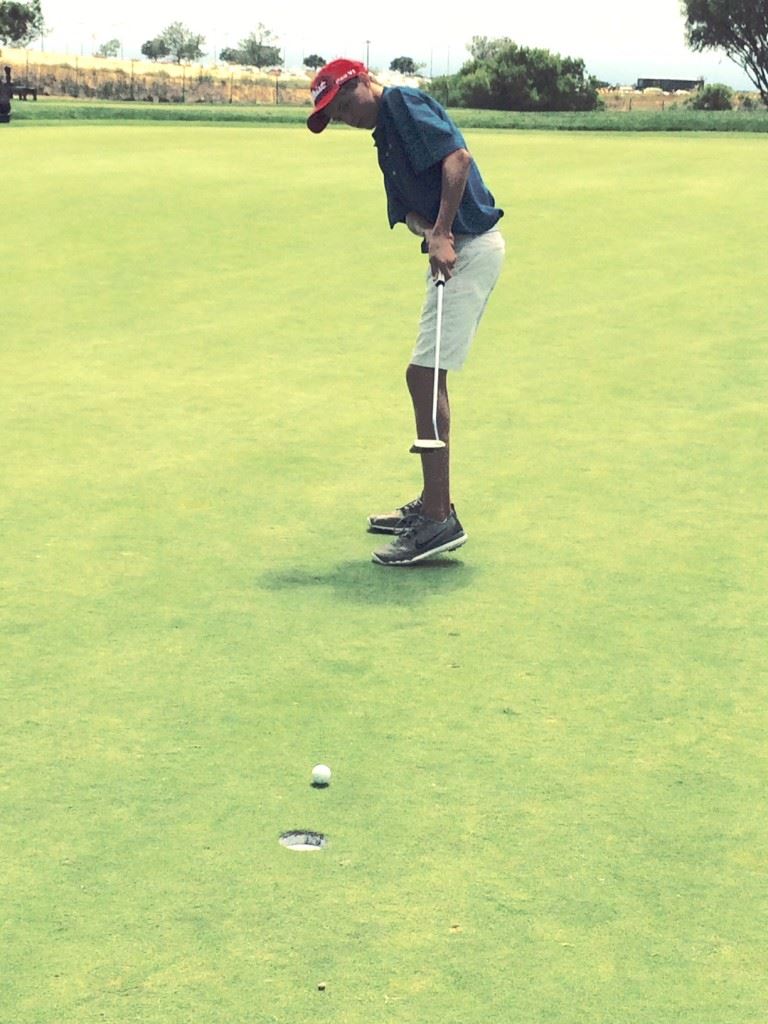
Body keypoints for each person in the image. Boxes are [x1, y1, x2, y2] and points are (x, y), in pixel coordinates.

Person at [307, 59, 505, 566]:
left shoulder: (401, 103)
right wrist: (430, 232)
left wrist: (442, 231)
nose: (347, 117)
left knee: (424, 375)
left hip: (471, 246)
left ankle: (439, 519)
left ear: (364, 81)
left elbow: (457, 160)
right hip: (452, 249)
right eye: (336, 116)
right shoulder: (383, 141)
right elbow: (408, 215)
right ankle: (432, 505)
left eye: (347, 103)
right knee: (421, 376)